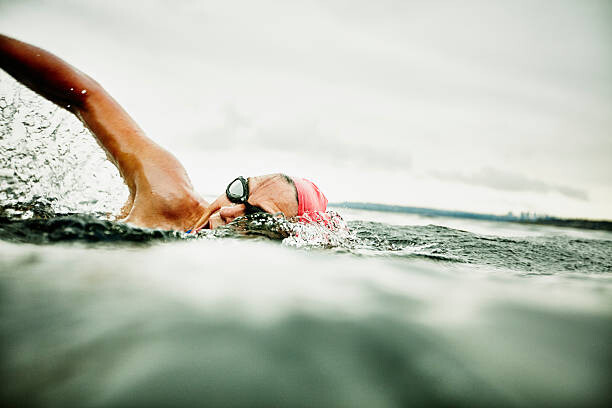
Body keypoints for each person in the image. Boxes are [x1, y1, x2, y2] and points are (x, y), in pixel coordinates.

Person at [0, 34, 328, 231]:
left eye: (256, 216)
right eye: (240, 191)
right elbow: (86, 96)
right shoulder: (166, 193)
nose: (229, 210)